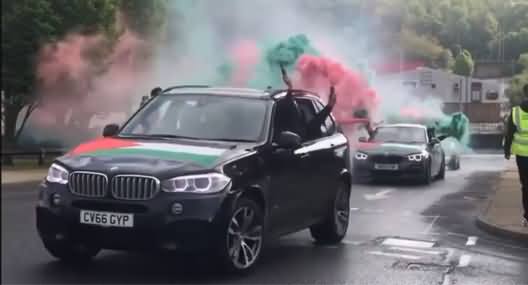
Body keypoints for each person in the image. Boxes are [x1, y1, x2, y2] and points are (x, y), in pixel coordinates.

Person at [504, 84, 528, 227]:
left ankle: (527, 217)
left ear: (524, 93)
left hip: (522, 156)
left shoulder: (516, 112)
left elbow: (510, 134)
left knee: (525, 186)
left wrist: (507, 151)